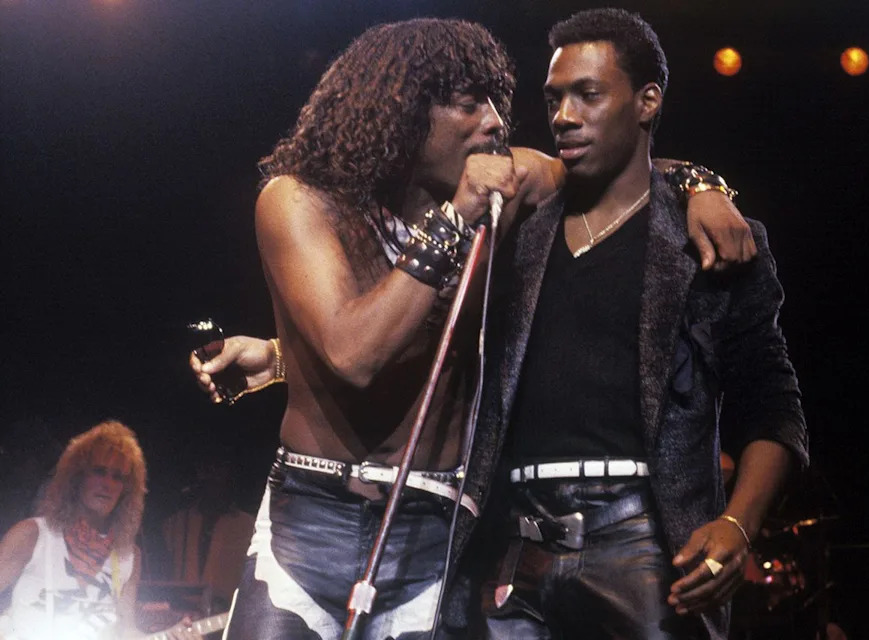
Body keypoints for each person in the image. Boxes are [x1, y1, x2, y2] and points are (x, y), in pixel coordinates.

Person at [190, 17, 755, 640]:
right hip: (313, 515)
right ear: (402, 113)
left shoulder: (502, 188)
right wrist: (453, 219)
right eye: (468, 104)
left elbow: (613, 166)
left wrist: (702, 185)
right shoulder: (301, 201)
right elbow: (354, 353)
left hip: (441, 523)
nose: (494, 122)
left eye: (497, 103)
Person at [460, 9, 809, 639]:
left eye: (587, 94)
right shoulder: (517, 232)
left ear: (647, 101)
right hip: (512, 544)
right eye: (554, 98)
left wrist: (737, 524)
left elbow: (773, 406)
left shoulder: (707, 240)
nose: (564, 115)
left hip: (645, 543)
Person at [0, 420, 199, 640]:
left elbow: (126, 631)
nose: (107, 484)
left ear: (127, 489)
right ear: (77, 477)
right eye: (99, 471)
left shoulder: (128, 556)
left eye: (117, 477)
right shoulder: (32, 535)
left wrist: (169, 636)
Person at [160, 453, 254, 613]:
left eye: (219, 468)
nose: (213, 476)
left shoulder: (248, 526)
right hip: (180, 618)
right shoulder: (176, 523)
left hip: (226, 619)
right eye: (208, 469)